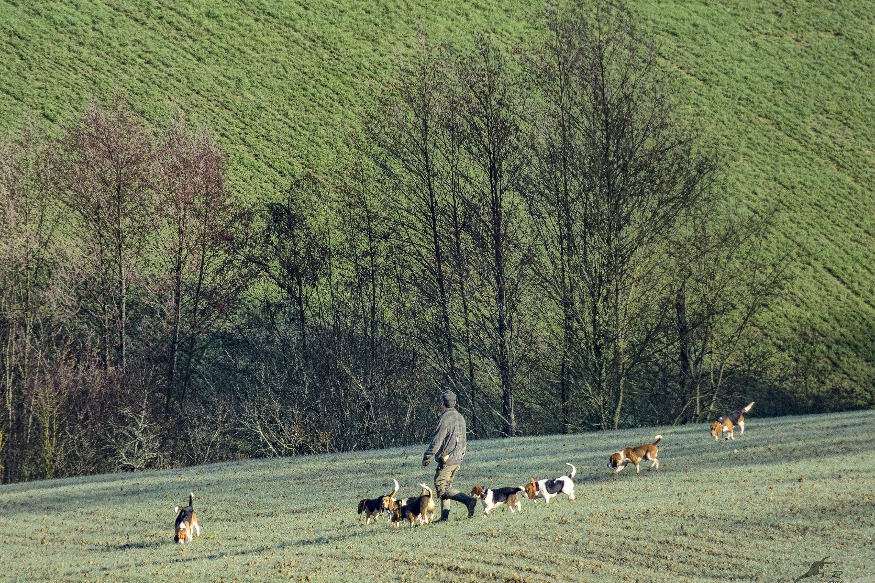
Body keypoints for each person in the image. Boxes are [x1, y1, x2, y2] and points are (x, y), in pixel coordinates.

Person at [422, 390, 477, 522]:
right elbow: (463, 440)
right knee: (446, 486)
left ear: (442, 403)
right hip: (458, 458)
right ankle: (444, 517)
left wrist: (427, 456)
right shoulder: (460, 417)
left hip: (447, 459)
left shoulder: (445, 419)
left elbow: (437, 440)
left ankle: (469, 501)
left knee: (441, 486)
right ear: (455, 402)